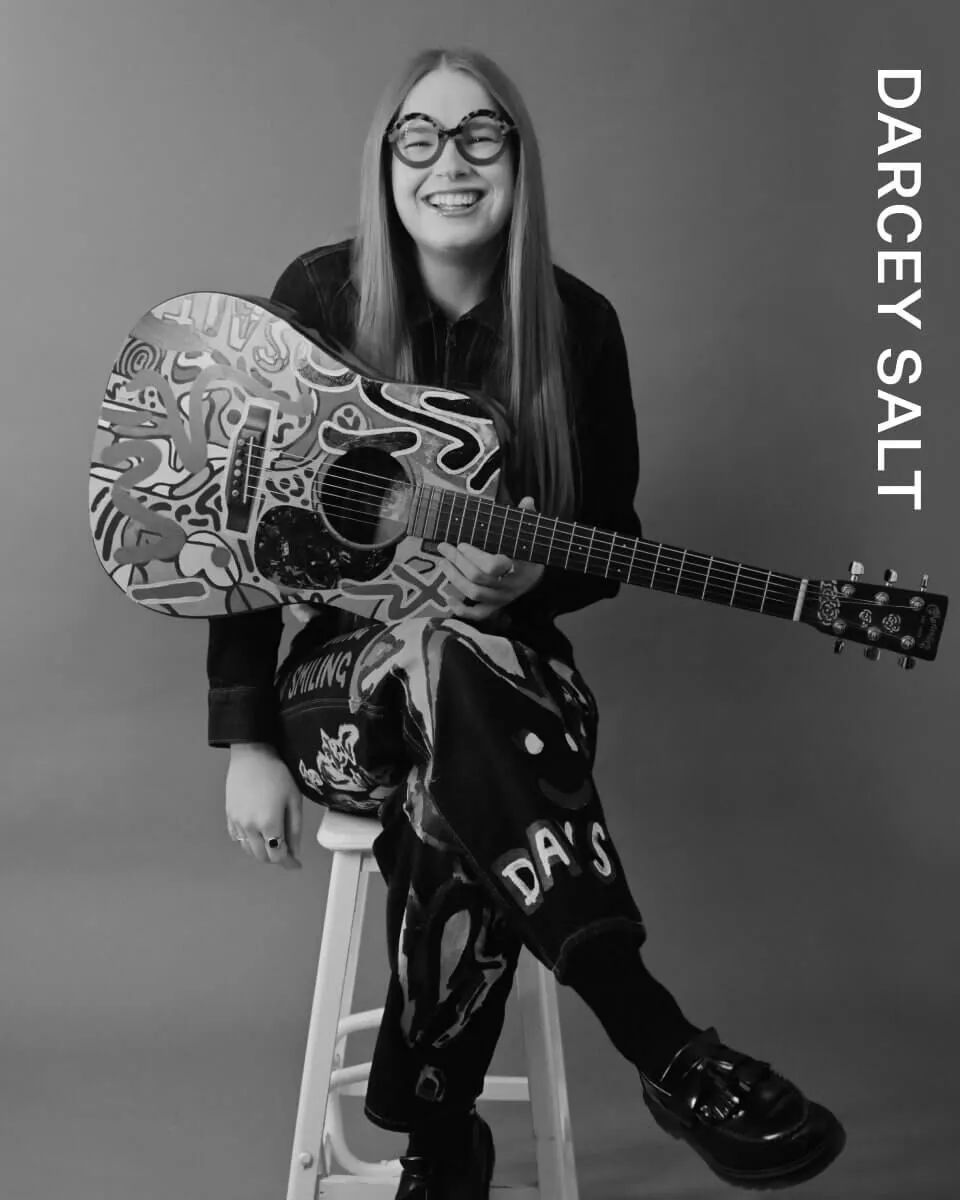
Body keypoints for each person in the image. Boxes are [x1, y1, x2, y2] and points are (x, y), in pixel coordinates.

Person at [206, 47, 846, 1199]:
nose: (450, 162)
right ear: (385, 164)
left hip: (511, 692)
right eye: (419, 138)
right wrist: (248, 735)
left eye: (480, 135)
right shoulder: (315, 301)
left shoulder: (578, 326)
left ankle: (437, 1143)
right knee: (443, 684)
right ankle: (663, 1042)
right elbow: (239, 526)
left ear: (518, 159)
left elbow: (607, 539)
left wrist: (525, 586)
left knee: (459, 747)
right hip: (338, 698)